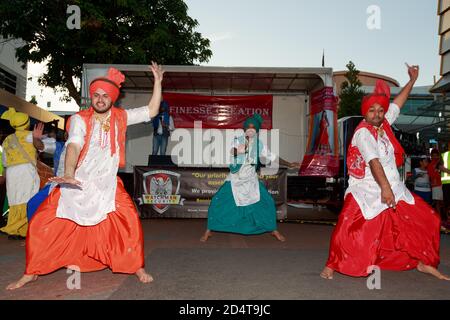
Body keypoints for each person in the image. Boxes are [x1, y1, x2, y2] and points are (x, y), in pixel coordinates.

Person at [6, 62, 164, 290]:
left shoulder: (121, 117)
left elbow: (151, 111)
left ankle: (136, 266)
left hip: (108, 185)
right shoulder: (81, 119)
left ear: (113, 98)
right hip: (77, 182)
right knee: (42, 223)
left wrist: (158, 82)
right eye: (96, 95)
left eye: (105, 96)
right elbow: (74, 145)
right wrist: (69, 174)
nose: (100, 99)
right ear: (92, 97)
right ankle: (31, 272)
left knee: (129, 222)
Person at [321, 64, 449, 281]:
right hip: (365, 189)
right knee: (347, 226)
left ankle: (422, 262)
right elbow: (374, 162)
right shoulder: (363, 133)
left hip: (393, 188)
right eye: (372, 110)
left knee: (429, 219)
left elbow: (398, 103)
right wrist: (385, 190)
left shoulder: (384, 124)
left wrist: (412, 81)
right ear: (365, 112)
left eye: (380, 110)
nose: (377, 114)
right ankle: (332, 265)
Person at [200, 114, 297, 242]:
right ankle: (209, 230)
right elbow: (232, 151)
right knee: (218, 202)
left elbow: (272, 157)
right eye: (248, 128)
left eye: (253, 128)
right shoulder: (238, 140)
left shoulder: (259, 144)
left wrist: (289, 164)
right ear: (244, 129)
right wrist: (238, 151)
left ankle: (273, 230)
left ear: (257, 130)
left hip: (251, 179)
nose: (250, 130)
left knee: (267, 202)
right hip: (235, 179)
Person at [0, 108, 40, 240]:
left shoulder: (7, 139)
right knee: (27, 198)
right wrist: (36, 138)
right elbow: (41, 147)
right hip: (25, 170)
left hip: (11, 171)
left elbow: (4, 160)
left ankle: (14, 228)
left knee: (15, 199)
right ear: (27, 123)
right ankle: (20, 229)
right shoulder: (29, 135)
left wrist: (4, 175)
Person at [26, 123, 68, 222]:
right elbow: (40, 146)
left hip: (78, 187)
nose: (67, 134)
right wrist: (36, 138)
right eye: (67, 131)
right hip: (57, 185)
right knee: (33, 204)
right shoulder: (59, 146)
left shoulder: (87, 148)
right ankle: (36, 232)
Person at [428, 148, 450, 230]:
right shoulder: (431, 164)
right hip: (437, 185)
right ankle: (439, 218)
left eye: (436, 155)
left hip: (443, 184)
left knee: (443, 202)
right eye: (433, 155)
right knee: (438, 202)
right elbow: (431, 175)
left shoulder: (440, 161)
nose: (435, 157)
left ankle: (443, 218)